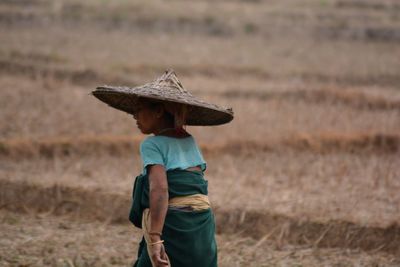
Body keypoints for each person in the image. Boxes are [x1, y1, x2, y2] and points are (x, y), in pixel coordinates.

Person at [92, 70, 233, 267]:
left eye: (139, 109)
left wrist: (156, 237)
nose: (134, 115)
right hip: (201, 225)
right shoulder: (190, 141)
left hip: (173, 226)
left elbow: (160, 189)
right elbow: (194, 185)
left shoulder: (152, 144)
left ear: (158, 112)